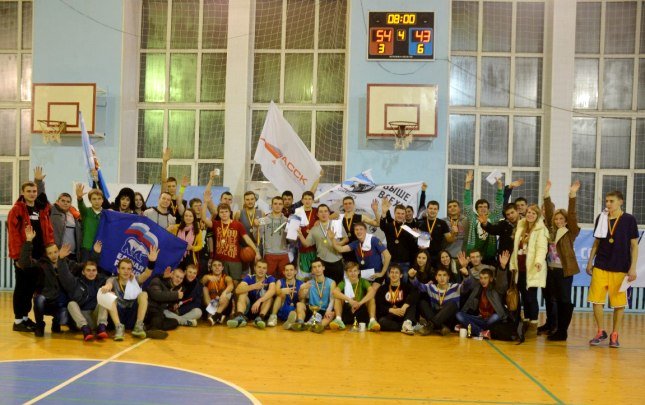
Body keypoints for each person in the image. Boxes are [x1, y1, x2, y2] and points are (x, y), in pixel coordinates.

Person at [586, 191, 639, 348]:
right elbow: (596, 242)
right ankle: (600, 331)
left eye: (611, 201)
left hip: (621, 267)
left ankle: (615, 334)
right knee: (596, 300)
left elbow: (634, 246)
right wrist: (590, 262)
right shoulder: (601, 217)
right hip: (600, 265)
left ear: (620, 202)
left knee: (618, 303)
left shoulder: (629, 219)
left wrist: (633, 268)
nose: (608, 204)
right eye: (607, 201)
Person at [8, 167, 54, 332]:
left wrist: (39, 182)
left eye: (34, 191)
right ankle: (18, 321)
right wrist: (17, 257)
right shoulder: (17, 210)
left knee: (30, 288)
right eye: (29, 191)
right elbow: (13, 235)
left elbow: (44, 201)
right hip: (23, 256)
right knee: (22, 287)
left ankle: (25, 318)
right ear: (22, 192)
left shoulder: (41, 209)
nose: (32, 194)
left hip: (39, 255)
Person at [542, 180, 580, 341]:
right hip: (551, 270)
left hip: (564, 271)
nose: (558, 221)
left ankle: (563, 331)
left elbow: (572, 215)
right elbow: (548, 214)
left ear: (565, 220)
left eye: (561, 219)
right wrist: (546, 194)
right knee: (555, 300)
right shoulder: (551, 231)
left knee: (565, 300)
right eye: (556, 219)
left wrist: (572, 195)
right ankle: (556, 328)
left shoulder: (570, 231)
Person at [19, 225, 70, 337]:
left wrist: (95, 253)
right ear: (46, 255)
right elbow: (24, 263)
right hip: (45, 301)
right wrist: (28, 241)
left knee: (65, 313)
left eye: (55, 252)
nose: (53, 255)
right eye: (50, 253)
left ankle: (56, 323)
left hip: (60, 303)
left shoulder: (67, 264)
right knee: (38, 299)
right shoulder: (41, 265)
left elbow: (85, 268)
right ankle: (39, 325)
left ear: (59, 251)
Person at [100, 247, 161, 340]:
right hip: (118, 316)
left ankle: (138, 326)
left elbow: (147, 274)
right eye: (123, 268)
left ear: (131, 270)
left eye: (129, 269)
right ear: (118, 270)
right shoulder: (113, 280)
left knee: (144, 294)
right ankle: (118, 328)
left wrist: (151, 262)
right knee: (110, 296)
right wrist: (107, 287)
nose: (126, 271)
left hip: (132, 315)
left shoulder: (135, 279)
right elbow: (109, 284)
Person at [59, 241, 113, 341]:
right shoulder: (75, 283)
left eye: (93, 270)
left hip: (96, 318)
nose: (91, 273)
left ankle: (102, 328)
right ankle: (85, 330)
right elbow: (64, 275)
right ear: (83, 272)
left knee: (105, 297)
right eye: (88, 270)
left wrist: (109, 284)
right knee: (71, 304)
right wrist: (61, 259)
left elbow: (113, 278)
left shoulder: (101, 281)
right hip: (81, 318)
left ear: (97, 272)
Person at [509, 204, 549, 338]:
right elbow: (516, 248)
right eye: (529, 212)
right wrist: (513, 264)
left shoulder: (541, 229)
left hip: (532, 268)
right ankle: (526, 321)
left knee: (531, 297)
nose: (530, 215)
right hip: (520, 268)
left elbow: (542, 248)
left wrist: (539, 261)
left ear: (537, 216)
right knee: (523, 297)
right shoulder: (521, 227)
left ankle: (533, 324)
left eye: (533, 213)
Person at [201, 201, 261, 283]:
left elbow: (247, 239)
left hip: (235, 260)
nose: (224, 214)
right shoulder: (215, 224)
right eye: (221, 212)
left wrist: (256, 252)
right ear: (218, 214)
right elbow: (204, 218)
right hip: (219, 260)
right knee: (221, 283)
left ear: (230, 212)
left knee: (236, 282)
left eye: (226, 211)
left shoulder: (238, 225)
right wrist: (205, 203)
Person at [456, 252, 511, 339]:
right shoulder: (478, 286)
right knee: (459, 315)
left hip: (491, 318)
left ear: (491, 279)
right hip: (480, 318)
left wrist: (502, 267)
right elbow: (470, 281)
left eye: (485, 278)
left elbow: (502, 283)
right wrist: (466, 271)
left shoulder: (496, 288)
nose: (483, 280)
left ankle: (472, 328)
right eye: (481, 278)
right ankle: (481, 332)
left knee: (495, 317)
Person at [410, 266, 467, 336]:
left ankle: (430, 326)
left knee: (453, 304)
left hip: (449, 319)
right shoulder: (431, 287)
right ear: (436, 277)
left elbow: (467, 286)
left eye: (444, 275)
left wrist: (466, 275)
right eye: (439, 275)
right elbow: (418, 286)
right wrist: (412, 277)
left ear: (448, 277)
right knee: (422, 303)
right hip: (435, 315)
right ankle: (441, 327)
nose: (442, 278)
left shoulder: (456, 287)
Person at [463, 170, 504, 264]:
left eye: (485, 207)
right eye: (480, 207)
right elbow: (467, 204)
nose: (483, 208)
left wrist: (499, 187)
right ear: (476, 210)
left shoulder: (493, 217)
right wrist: (467, 184)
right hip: (473, 254)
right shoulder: (473, 217)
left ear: (488, 209)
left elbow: (499, 204)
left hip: (489, 254)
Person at [297, 204, 345, 284]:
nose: (323, 214)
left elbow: (346, 239)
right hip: (322, 262)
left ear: (329, 213)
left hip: (337, 261)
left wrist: (338, 244)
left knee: (338, 286)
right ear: (317, 214)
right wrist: (300, 235)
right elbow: (306, 244)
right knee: (323, 286)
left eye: (325, 211)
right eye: (321, 212)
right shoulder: (314, 229)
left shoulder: (336, 224)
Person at [330, 261, 380, 331]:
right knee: (337, 298)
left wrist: (360, 303)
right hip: (348, 310)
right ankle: (338, 319)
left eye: (355, 271)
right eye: (350, 271)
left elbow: (372, 292)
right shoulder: (344, 282)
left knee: (371, 298)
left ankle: (372, 321)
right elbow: (334, 292)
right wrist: (350, 300)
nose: (353, 273)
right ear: (346, 273)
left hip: (361, 310)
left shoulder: (363, 281)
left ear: (358, 272)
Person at [227, 260, 276, 329]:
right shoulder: (249, 277)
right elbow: (237, 290)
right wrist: (253, 286)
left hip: (261, 309)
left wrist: (259, 301)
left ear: (266, 270)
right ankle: (240, 316)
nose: (261, 270)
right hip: (248, 308)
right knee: (242, 294)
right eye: (259, 267)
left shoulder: (270, 278)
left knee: (269, 298)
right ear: (255, 268)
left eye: (264, 268)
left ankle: (260, 318)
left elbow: (272, 291)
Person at [375, 265, 418, 335]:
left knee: (412, 304)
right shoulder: (382, 289)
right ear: (388, 275)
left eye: (396, 273)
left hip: (404, 314)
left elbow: (415, 294)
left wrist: (404, 306)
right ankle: (405, 327)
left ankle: (407, 323)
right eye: (392, 272)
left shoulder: (406, 286)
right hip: (390, 316)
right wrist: (391, 310)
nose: (394, 275)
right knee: (381, 322)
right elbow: (379, 306)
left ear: (401, 275)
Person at [379, 201, 417, 277]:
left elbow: (412, 247)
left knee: (404, 283)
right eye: (398, 213)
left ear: (405, 215)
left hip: (405, 263)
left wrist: (415, 237)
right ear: (394, 213)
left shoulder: (409, 228)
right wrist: (383, 213)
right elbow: (382, 225)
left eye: (402, 214)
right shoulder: (389, 226)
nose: (400, 215)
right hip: (391, 262)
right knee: (389, 282)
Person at [339, 196, 379, 263]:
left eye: (350, 203)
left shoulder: (361, 217)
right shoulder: (339, 218)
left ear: (353, 204)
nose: (348, 205)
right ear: (343, 205)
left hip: (359, 249)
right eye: (345, 204)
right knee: (349, 268)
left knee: (361, 267)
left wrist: (375, 211)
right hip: (345, 249)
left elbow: (377, 224)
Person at [299, 259, 336, 333]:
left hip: (324, 310)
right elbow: (301, 298)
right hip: (311, 310)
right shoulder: (309, 283)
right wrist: (302, 289)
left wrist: (328, 310)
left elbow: (332, 299)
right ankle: (300, 323)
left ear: (323, 268)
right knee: (299, 304)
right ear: (312, 270)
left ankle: (317, 326)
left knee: (332, 314)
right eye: (314, 267)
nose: (317, 269)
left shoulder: (331, 282)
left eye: (319, 266)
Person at [268, 263, 305, 328]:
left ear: (295, 272)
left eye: (291, 270)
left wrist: (302, 291)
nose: (289, 272)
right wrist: (281, 291)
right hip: (282, 309)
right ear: (284, 272)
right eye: (287, 270)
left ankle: (297, 321)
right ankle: (273, 317)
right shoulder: (280, 281)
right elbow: (275, 292)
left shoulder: (301, 284)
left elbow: (302, 300)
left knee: (301, 304)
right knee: (280, 295)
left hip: (295, 312)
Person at [417, 200, 454, 266]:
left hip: (438, 256)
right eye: (430, 208)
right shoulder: (420, 223)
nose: (432, 211)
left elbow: (449, 240)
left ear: (438, 210)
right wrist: (416, 235)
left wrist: (454, 232)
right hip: (424, 256)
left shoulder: (442, 223)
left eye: (435, 209)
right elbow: (417, 240)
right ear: (427, 209)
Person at [261, 196, 290, 278]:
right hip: (269, 254)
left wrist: (296, 233)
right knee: (267, 280)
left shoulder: (287, 220)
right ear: (271, 205)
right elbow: (257, 237)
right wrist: (256, 227)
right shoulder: (264, 219)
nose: (277, 206)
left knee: (285, 279)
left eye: (280, 204)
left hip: (283, 253)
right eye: (275, 204)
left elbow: (291, 241)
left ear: (283, 206)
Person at [76, 183, 106, 262]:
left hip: (101, 248)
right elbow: (81, 205)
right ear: (90, 200)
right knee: (86, 268)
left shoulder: (107, 214)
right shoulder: (86, 212)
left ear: (102, 200)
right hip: (86, 248)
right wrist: (79, 198)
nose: (97, 201)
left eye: (99, 198)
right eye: (94, 199)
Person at [50, 193, 82, 262]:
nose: (65, 203)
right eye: (63, 201)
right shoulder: (52, 210)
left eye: (68, 201)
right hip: (58, 253)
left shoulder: (74, 215)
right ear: (57, 201)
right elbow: (42, 201)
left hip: (73, 255)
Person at [201, 259, 234, 325]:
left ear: (222, 268)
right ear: (211, 268)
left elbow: (231, 286)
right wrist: (207, 277)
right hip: (211, 305)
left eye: (219, 265)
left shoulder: (226, 277)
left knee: (228, 293)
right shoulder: (207, 277)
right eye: (214, 265)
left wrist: (224, 293)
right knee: (204, 288)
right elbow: (201, 283)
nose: (217, 267)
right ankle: (217, 316)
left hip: (223, 305)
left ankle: (216, 315)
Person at [295, 191, 318, 279]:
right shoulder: (297, 212)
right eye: (305, 199)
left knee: (316, 273)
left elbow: (335, 214)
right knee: (304, 274)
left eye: (309, 199)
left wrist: (320, 220)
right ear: (302, 200)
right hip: (303, 249)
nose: (307, 201)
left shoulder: (317, 211)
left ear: (313, 200)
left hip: (316, 248)